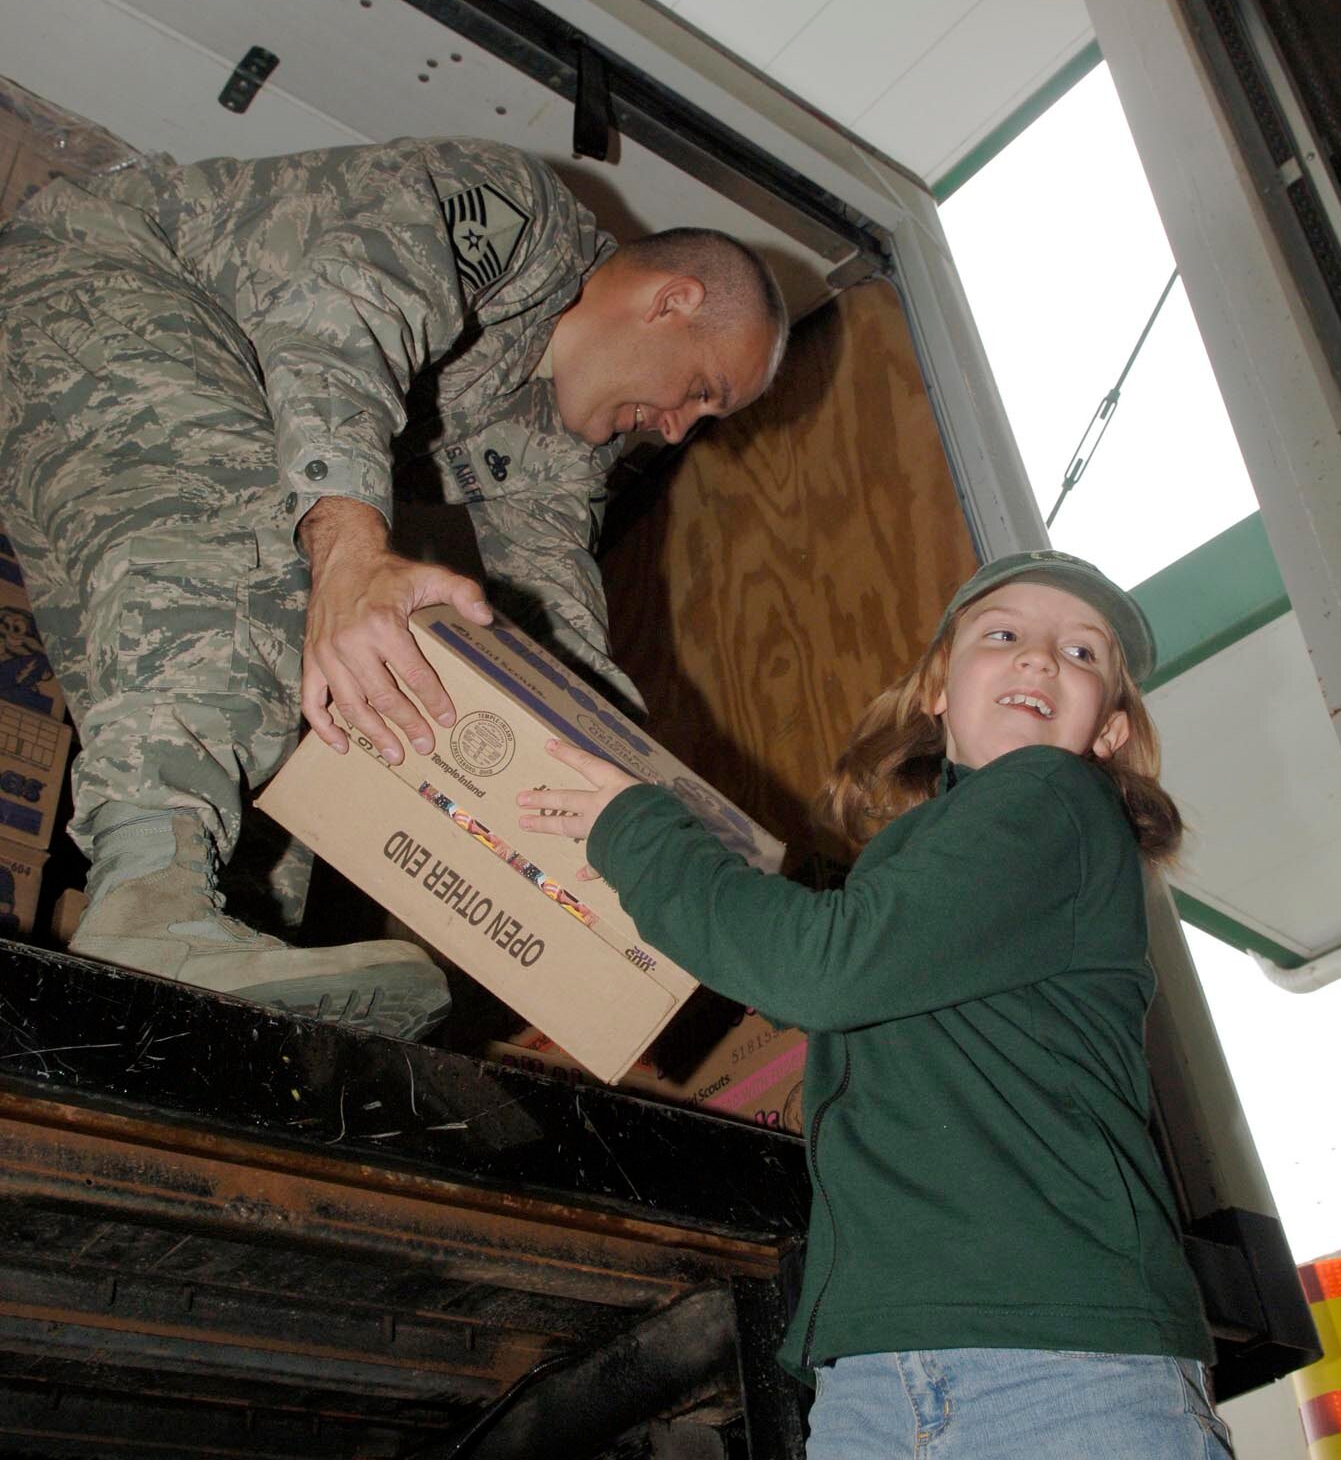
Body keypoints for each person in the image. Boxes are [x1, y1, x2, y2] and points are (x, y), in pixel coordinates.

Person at [517, 549, 1302, 1460]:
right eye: (1005, 633)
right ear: (938, 685)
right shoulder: (921, 868)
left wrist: (630, 827)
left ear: (1108, 736)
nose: (1044, 655)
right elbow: (832, 982)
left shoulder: (1051, 805)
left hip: (1064, 1372)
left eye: (1083, 652)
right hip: (877, 1399)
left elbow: (817, 962)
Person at [0, 135, 786, 1035]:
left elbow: (555, 620)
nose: (679, 431)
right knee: (275, 551)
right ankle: (147, 912)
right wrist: (349, 551)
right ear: (672, 302)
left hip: (127, 442)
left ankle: (187, 963)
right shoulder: (518, 221)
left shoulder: (563, 447)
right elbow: (340, 321)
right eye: (700, 391)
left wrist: (629, 795)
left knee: (311, 728)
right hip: (101, 277)